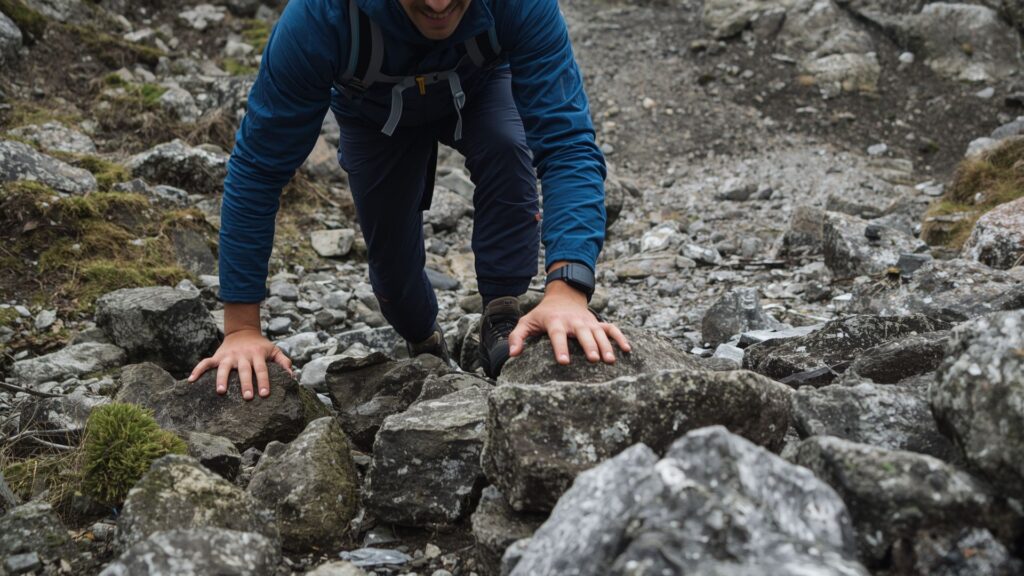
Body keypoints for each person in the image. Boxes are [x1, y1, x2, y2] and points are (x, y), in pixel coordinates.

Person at [189, 0, 631, 399]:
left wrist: (568, 291)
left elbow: (567, 143)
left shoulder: (521, 5)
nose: (438, 4)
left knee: (507, 147)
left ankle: (503, 314)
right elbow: (258, 168)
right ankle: (424, 341)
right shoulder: (319, 18)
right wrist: (242, 328)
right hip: (374, 116)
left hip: (479, 89)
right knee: (394, 275)